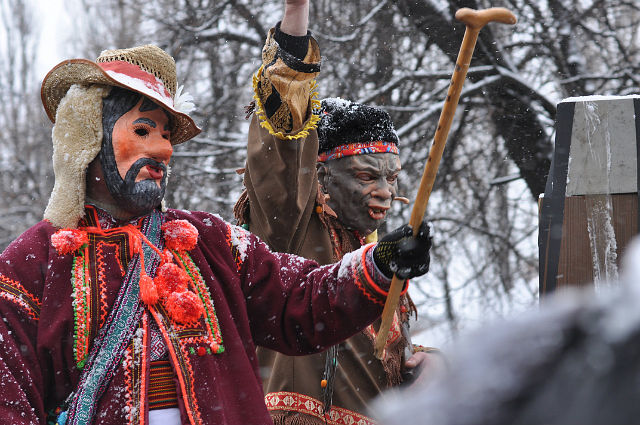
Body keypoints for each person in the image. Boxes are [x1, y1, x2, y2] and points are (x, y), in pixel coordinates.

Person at [0, 8, 431, 425]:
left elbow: (299, 301)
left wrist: (379, 264)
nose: (164, 150)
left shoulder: (209, 240)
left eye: (167, 135)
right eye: (144, 130)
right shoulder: (29, 265)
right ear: (88, 137)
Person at [234, 1, 439, 423]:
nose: (385, 191)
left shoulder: (376, 255)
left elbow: (382, 358)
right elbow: (284, 150)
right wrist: (296, 21)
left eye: (392, 177)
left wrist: (426, 363)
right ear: (321, 179)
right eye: (366, 176)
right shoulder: (289, 231)